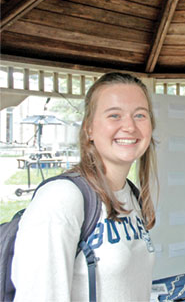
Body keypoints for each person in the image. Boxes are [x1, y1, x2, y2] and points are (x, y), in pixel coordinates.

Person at [12, 72, 158, 301]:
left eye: (140, 115)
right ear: (89, 129)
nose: (129, 126)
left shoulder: (131, 195)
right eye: (114, 115)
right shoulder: (61, 198)